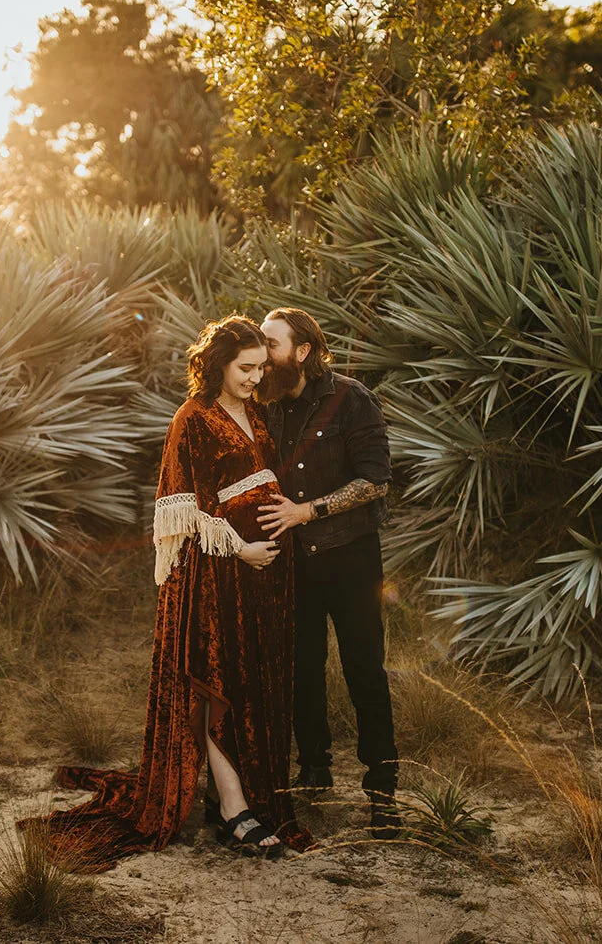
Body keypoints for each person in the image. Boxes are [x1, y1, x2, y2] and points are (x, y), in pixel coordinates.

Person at [20, 316, 312, 869]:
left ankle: (243, 797)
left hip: (263, 579)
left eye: (258, 368)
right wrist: (240, 547)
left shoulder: (254, 411)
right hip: (212, 574)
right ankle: (233, 807)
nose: (254, 378)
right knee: (214, 682)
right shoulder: (191, 419)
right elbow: (180, 509)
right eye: (244, 369)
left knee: (251, 687)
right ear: (217, 365)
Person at [255, 307, 401, 838]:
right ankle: (314, 769)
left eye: (271, 343)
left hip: (351, 559)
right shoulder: (265, 406)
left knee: (365, 672)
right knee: (302, 670)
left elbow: (376, 481)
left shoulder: (351, 398)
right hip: (292, 563)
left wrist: (307, 511)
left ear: (302, 351)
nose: (262, 354)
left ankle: (382, 790)